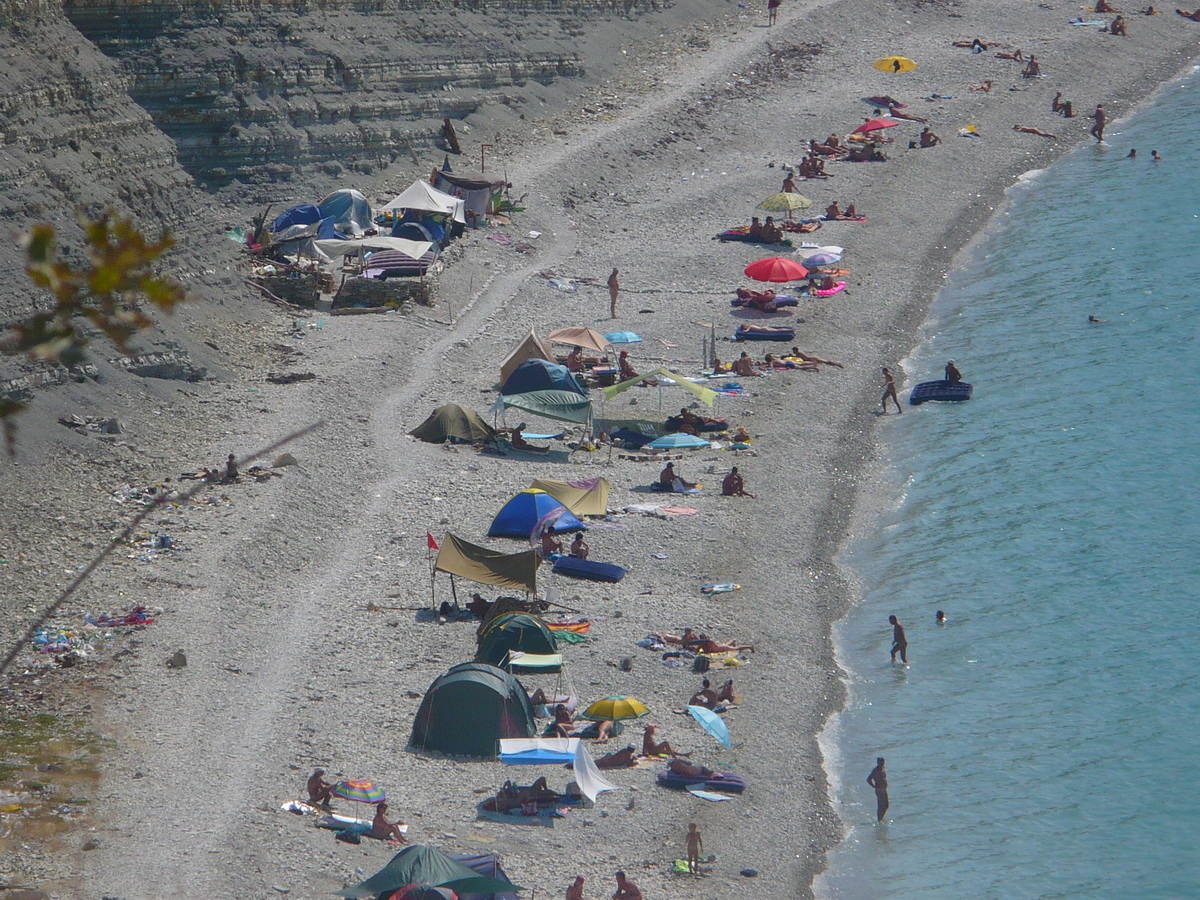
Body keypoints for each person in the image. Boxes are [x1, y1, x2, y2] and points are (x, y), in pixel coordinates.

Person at [867, 758, 889, 822]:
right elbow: (868, 779)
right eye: (880, 763)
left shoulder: (883, 768)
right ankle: (879, 819)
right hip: (879, 790)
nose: (882, 764)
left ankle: (881, 818)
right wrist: (874, 786)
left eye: (883, 763)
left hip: (884, 789)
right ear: (878, 763)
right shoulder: (875, 771)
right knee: (881, 806)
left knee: (886, 805)